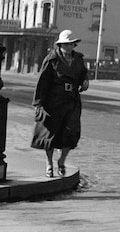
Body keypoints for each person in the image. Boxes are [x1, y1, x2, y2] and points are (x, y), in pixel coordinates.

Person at [31, 30, 90, 178]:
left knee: (70, 132)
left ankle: (61, 161)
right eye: (65, 44)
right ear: (60, 44)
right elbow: (42, 82)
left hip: (72, 100)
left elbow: (83, 73)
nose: (68, 47)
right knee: (49, 133)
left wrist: (85, 80)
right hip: (53, 101)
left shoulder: (78, 59)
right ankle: (49, 163)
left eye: (70, 44)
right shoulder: (52, 59)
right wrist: (39, 103)